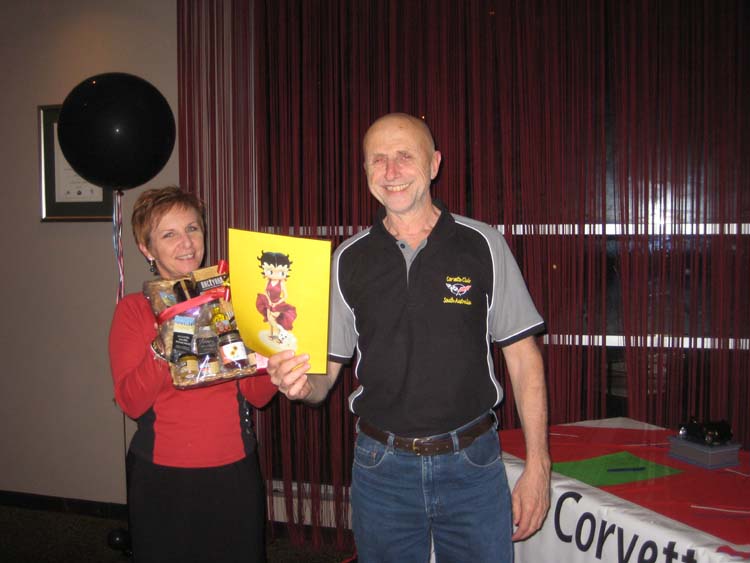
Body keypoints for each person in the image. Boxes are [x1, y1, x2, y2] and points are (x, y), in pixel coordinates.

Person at [268, 113, 551, 562]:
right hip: (381, 468)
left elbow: (523, 357)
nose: (391, 171)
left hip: (472, 463)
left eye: (405, 156)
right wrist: (301, 385)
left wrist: (539, 465)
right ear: (365, 171)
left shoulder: (483, 244)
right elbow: (326, 374)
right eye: (377, 160)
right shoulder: (347, 259)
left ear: (434, 164)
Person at [108, 186, 266, 563]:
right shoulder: (134, 310)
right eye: (169, 234)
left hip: (234, 469)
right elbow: (130, 402)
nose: (187, 243)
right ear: (147, 249)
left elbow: (259, 396)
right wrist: (166, 339)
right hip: (162, 475)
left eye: (193, 228)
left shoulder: (233, 301)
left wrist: (269, 357)